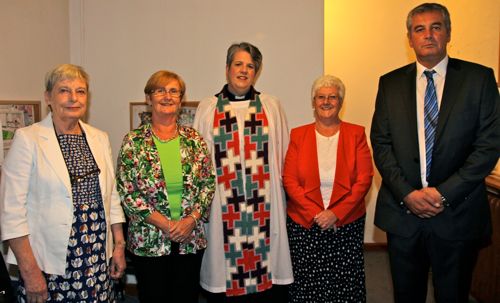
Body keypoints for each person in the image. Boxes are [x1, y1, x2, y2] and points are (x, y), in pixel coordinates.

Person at [370, 3, 500, 303]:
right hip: (403, 215)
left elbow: (488, 145)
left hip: (457, 213)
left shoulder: (478, 79)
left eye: (435, 27)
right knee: (406, 295)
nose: (427, 35)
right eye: (419, 29)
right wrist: (407, 193)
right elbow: (381, 143)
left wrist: (443, 193)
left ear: (448, 33)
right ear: (410, 38)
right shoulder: (389, 83)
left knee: (453, 296)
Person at [0, 64, 127, 302]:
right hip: (49, 261)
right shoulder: (28, 139)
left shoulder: (100, 138)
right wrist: (29, 271)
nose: (73, 98)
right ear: (48, 97)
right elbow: (11, 213)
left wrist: (118, 246)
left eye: (80, 91)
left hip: (97, 255)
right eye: (64, 91)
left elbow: (112, 198)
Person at [193, 42, 293, 302]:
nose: (244, 70)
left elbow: (283, 153)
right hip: (221, 205)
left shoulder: (270, 106)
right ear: (227, 69)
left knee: (265, 274)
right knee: (223, 273)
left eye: (250, 66)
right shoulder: (208, 107)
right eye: (238, 64)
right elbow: (199, 161)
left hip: (264, 203)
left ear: (256, 72)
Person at [116, 70, 215, 303]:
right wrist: (165, 223)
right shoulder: (133, 141)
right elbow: (127, 191)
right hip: (149, 239)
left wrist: (191, 219)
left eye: (173, 91)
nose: (167, 96)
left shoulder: (194, 140)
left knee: (186, 297)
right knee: (154, 297)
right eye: (159, 90)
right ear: (148, 99)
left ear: (180, 99)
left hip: (189, 239)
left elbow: (208, 183)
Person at [283, 75, 373, 302]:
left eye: (332, 97)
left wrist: (335, 213)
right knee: (307, 282)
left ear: (341, 102)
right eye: (321, 97)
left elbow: (364, 180)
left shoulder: (356, 134)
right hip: (305, 222)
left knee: (344, 282)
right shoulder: (298, 135)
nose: (326, 101)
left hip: (346, 223)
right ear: (313, 102)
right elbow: (290, 180)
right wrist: (316, 213)